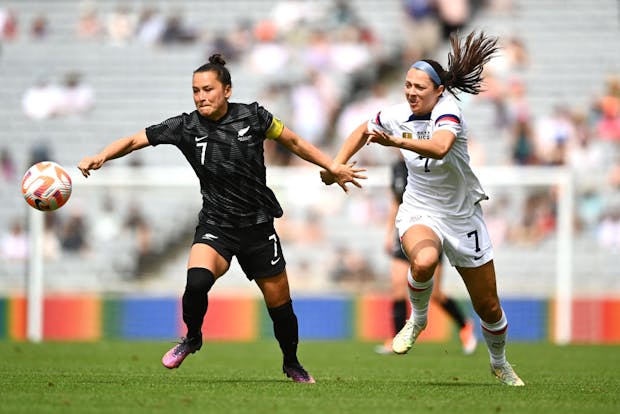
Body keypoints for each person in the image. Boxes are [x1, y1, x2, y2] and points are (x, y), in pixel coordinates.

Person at [77, 54, 365, 384]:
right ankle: (193, 338)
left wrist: (332, 166)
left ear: (227, 90)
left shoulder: (254, 116)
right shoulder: (185, 126)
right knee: (196, 281)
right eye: (196, 90)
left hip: (258, 227)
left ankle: (291, 362)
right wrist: (101, 155)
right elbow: (133, 140)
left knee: (280, 306)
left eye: (208, 89)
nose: (201, 96)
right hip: (216, 225)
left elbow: (295, 141)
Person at [321, 31, 525, 386]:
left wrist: (397, 141)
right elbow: (360, 130)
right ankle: (417, 319)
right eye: (407, 85)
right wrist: (337, 163)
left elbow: (441, 147)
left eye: (419, 87)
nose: (411, 92)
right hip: (420, 210)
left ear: (438, 90)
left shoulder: (449, 111)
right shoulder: (397, 114)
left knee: (488, 307)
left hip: (463, 218)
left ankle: (499, 361)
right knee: (424, 261)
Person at [375, 157, 477, 355]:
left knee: (436, 294)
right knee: (397, 286)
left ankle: (465, 325)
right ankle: (397, 338)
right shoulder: (396, 167)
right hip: (404, 230)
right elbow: (395, 202)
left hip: (428, 231)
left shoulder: (429, 161)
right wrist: (388, 234)